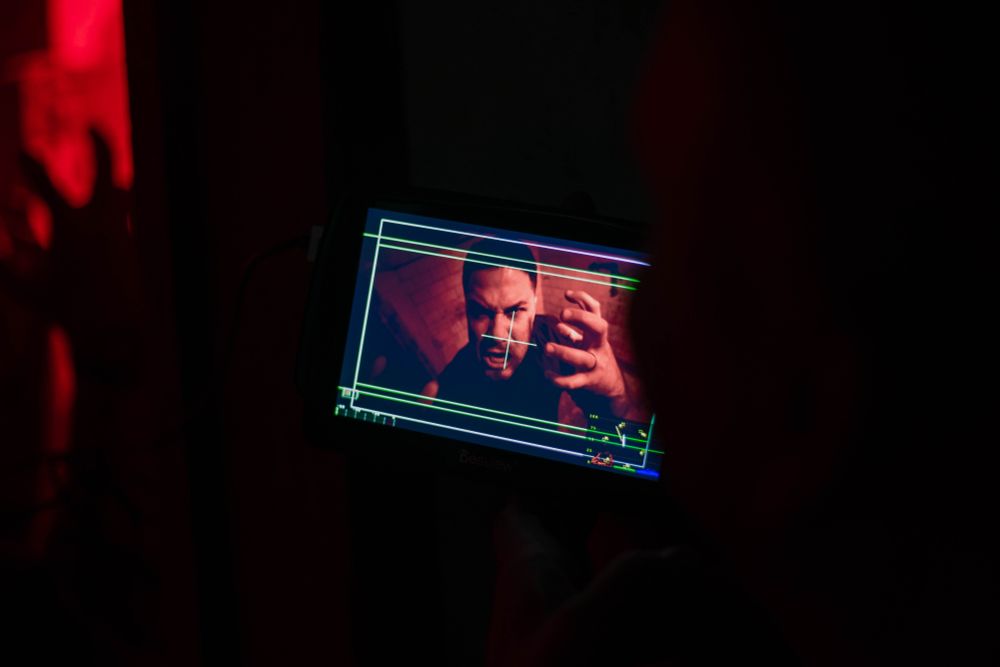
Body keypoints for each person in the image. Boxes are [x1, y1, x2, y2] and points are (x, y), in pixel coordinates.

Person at [420, 238, 645, 427]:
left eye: (515, 310)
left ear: (535, 305)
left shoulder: (553, 339)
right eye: (480, 311)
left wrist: (616, 396)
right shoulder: (454, 381)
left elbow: (615, 448)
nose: (497, 335)